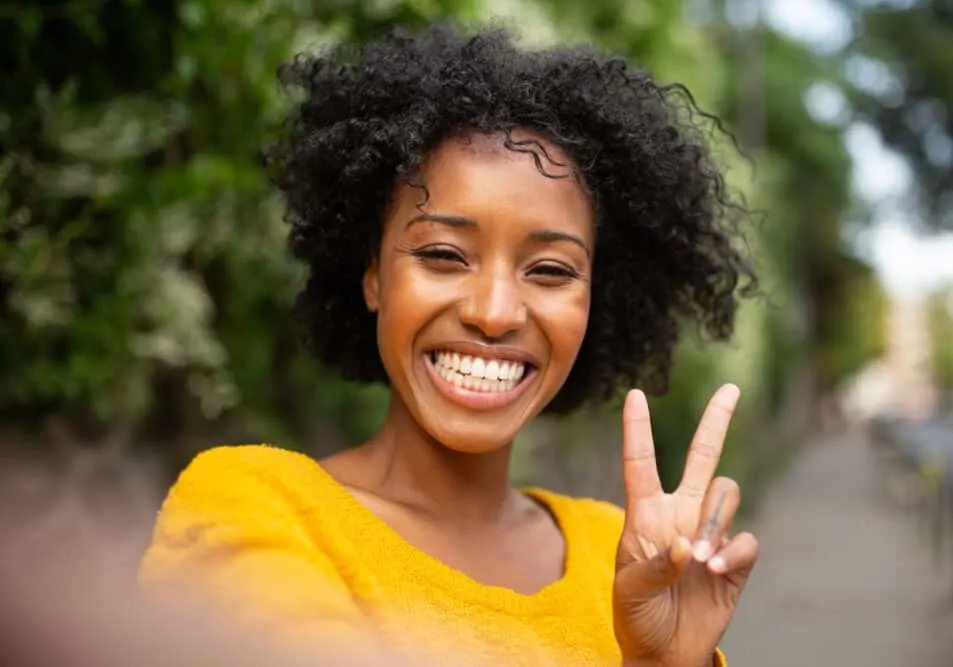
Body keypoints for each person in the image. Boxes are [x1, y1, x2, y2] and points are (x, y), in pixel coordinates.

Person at [140, 22, 760, 667]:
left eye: (550, 270)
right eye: (442, 255)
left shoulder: (625, 555)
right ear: (373, 276)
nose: (494, 313)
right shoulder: (252, 508)